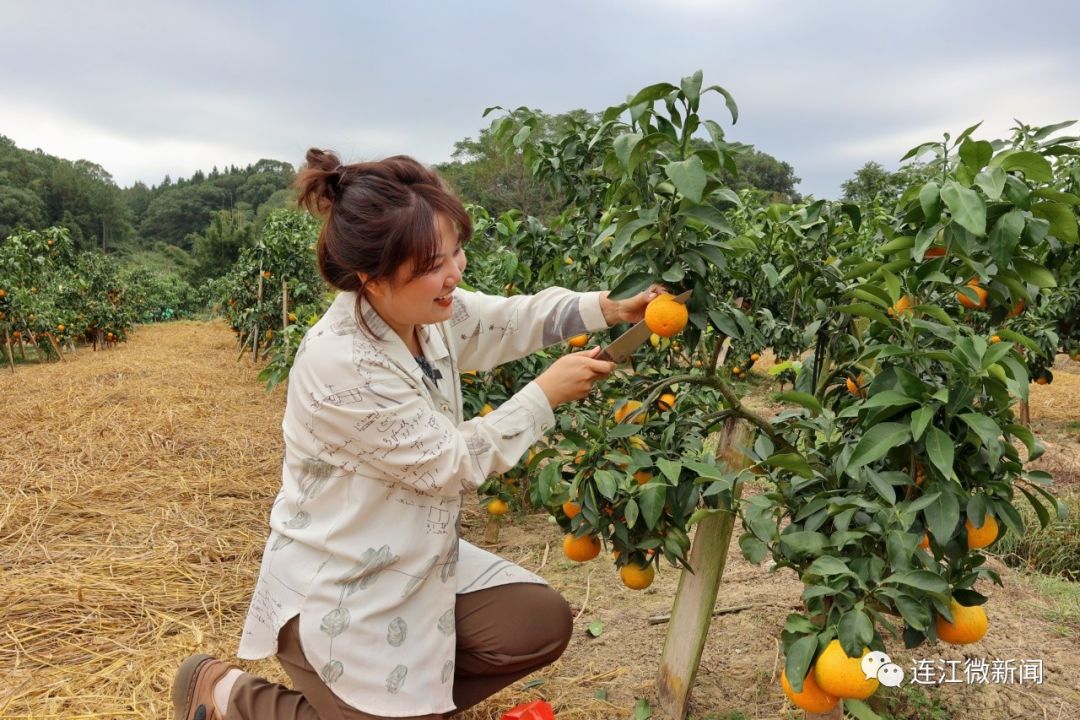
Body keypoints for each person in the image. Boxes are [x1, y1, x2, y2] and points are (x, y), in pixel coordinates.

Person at [173, 150, 662, 720]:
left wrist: (607, 308)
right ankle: (232, 694)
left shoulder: (424, 315)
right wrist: (546, 394)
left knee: (537, 622)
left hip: (412, 553)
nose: (454, 272)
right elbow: (449, 463)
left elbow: (508, 319)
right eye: (433, 263)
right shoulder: (344, 363)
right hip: (343, 578)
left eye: (455, 249)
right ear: (372, 278)